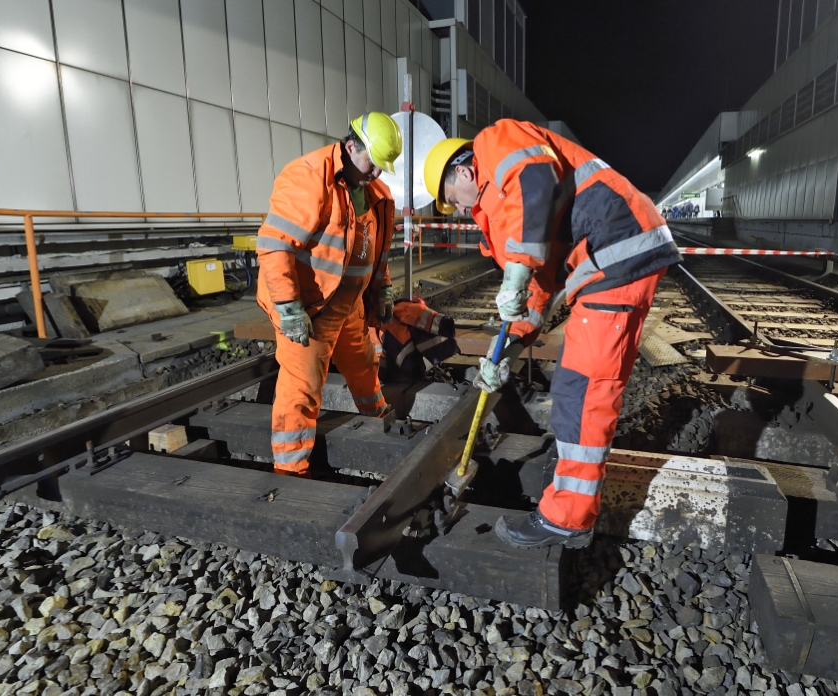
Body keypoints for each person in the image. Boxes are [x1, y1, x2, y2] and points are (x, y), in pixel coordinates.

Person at [424, 120, 681, 548]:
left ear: (465, 173)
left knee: (581, 392)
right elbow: (542, 280)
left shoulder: (495, 143)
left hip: (615, 253)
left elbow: (534, 181)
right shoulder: (510, 208)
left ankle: (568, 516)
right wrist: (507, 345)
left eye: (455, 199)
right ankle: (571, 505)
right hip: (610, 259)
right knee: (577, 390)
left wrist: (516, 269)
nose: (464, 209)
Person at [257, 112, 403, 476]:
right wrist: (289, 307)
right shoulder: (308, 177)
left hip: (348, 305)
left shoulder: (377, 195)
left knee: (364, 366)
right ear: (352, 146)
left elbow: (377, 252)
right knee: (301, 390)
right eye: (373, 164)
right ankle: (291, 470)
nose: (377, 174)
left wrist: (380, 291)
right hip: (311, 309)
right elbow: (275, 246)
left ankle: (377, 420)